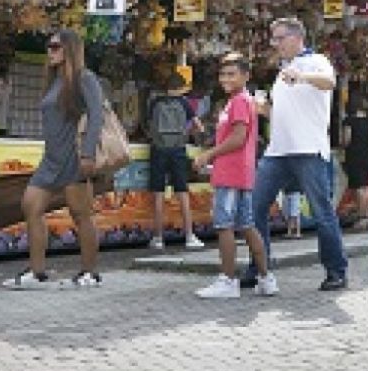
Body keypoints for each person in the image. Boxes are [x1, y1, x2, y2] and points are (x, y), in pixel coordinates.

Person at [247, 18, 348, 291]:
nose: (275, 44)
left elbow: (329, 82)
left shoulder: (316, 61)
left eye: (279, 38)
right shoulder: (282, 71)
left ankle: (336, 271)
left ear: (296, 37)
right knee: (254, 207)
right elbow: (282, 114)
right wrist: (263, 109)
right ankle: (258, 267)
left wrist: (302, 77)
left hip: (308, 149)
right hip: (278, 149)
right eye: (274, 39)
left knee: (321, 211)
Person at [4, 29, 105, 290]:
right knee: (31, 206)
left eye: (55, 47)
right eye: (49, 47)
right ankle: (37, 272)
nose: (50, 52)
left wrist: (88, 153)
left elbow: (96, 116)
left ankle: (89, 273)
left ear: (70, 49)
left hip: (74, 157)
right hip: (51, 158)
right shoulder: (55, 80)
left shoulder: (85, 78)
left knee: (81, 215)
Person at [192, 55, 275, 299]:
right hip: (242, 172)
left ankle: (228, 280)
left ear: (245, 76)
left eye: (232, 74)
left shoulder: (239, 102)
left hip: (230, 172)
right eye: (223, 74)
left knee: (224, 225)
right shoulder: (244, 101)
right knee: (247, 226)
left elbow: (238, 138)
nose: (226, 79)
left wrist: (209, 155)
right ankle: (265, 278)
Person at [147, 71, 205, 250]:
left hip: (158, 150)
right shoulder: (184, 103)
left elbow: (149, 125)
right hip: (178, 150)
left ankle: (157, 238)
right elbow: (199, 126)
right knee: (182, 192)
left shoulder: (155, 102)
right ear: (180, 88)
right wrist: (188, 133)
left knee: (158, 193)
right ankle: (189, 235)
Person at [341, 93, 368, 231]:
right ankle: (367, 214)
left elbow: (346, 140)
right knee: (364, 186)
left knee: (359, 188)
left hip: (354, 156)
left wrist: (342, 144)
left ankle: (363, 218)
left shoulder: (349, 121)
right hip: (367, 156)